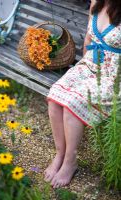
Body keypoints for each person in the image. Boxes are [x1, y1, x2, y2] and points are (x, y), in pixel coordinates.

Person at [44, 0, 121, 188]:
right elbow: (88, 38)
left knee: (73, 104)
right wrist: (82, 68)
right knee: (55, 96)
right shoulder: (97, 1)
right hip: (90, 65)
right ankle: (60, 154)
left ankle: (70, 161)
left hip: (114, 75)